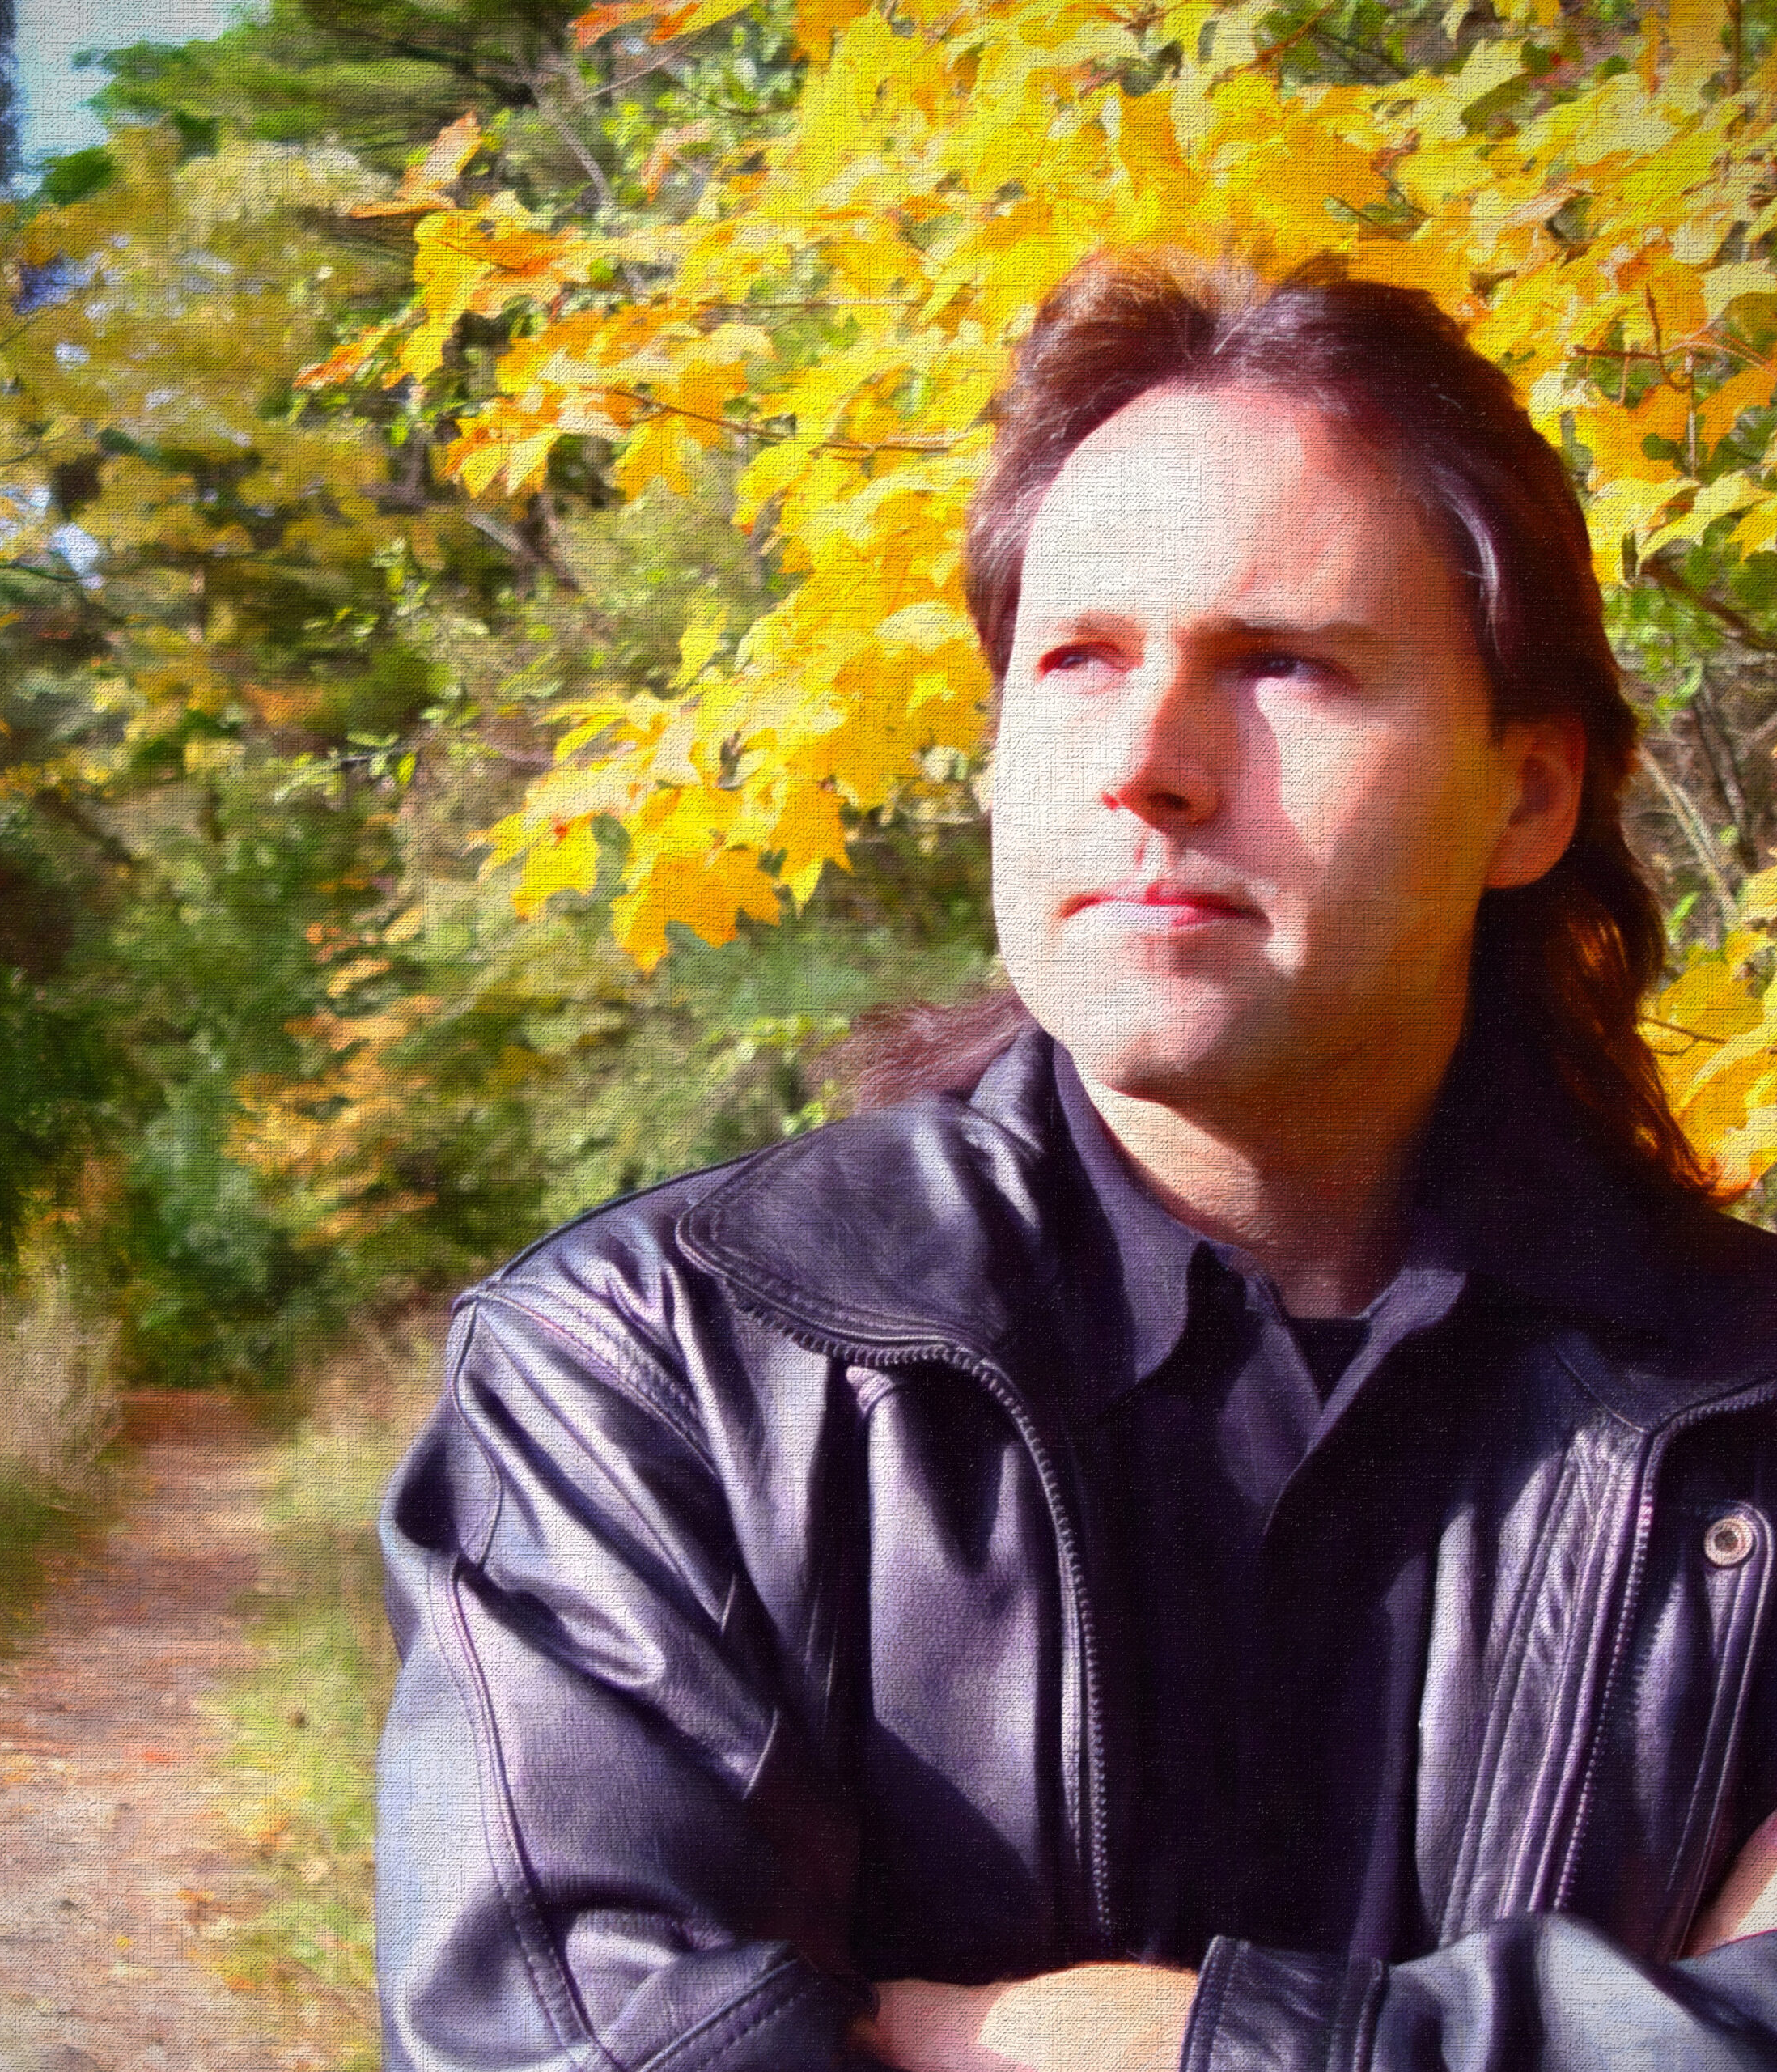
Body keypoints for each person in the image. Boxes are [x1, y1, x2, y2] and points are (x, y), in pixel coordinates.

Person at [373, 252, 1777, 2072]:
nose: (1146, 764)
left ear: (1530, 792)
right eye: (1077, 660)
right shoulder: (651, 1376)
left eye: (1281, 665)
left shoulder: (1747, 1412)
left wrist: (1098, 2044)